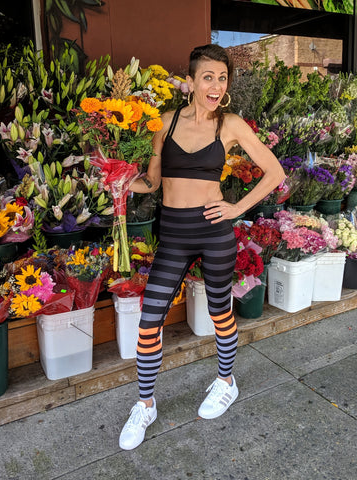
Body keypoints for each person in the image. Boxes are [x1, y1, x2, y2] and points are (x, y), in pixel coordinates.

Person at [119, 44, 285, 450]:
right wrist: (118, 182)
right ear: (191, 81)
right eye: (207, 77)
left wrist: (236, 208)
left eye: (222, 78)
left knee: (219, 312)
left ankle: (226, 382)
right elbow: (152, 183)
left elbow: (274, 171)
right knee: (149, 320)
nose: (215, 85)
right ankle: (145, 405)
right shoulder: (164, 123)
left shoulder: (230, 125)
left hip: (213, 232)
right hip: (173, 235)